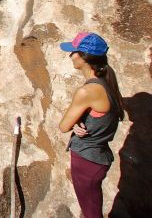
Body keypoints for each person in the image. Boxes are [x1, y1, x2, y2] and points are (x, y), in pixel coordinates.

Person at [58, 32, 124, 218]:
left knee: (92, 213)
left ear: (84, 57)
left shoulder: (87, 91)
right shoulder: (106, 83)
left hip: (86, 160)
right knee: (90, 208)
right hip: (97, 157)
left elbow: (63, 126)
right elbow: (98, 114)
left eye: (73, 52)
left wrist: (73, 121)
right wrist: (80, 120)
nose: (70, 56)